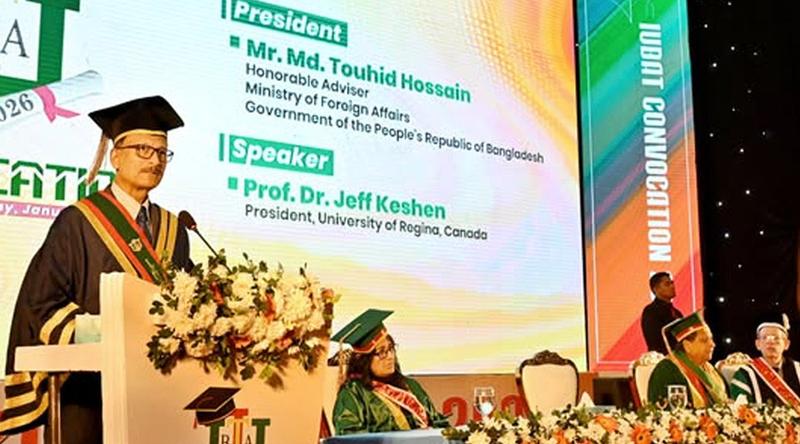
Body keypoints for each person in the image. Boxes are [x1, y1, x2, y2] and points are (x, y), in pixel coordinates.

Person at [0, 96, 191, 443]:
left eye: (163, 153)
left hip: (155, 394)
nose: (155, 161)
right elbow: (40, 306)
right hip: (87, 393)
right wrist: (110, 333)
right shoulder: (78, 222)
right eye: (143, 150)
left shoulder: (174, 230)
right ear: (115, 157)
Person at [331, 309, 449, 435]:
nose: (390, 356)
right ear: (364, 360)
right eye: (382, 352)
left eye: (391, 349)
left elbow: (437, 422)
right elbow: (350, 436)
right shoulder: (353, 393)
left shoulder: (411, 385)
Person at [648, 311, 729, 408]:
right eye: (704, 340)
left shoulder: (710, 369)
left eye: (711, 339)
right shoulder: (667, 371)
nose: (712, 344)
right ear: (687, 346)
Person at [730, 316, 800, 407]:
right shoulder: (744, 373)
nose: (770, 342)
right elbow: (741, 409)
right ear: (757, 344)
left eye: (776, 338)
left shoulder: (798, 369)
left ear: (786, 344)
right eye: (765, 338)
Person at [641, 271, 684, 355]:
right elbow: (654, 341)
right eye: (667, 284)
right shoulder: (651, 311)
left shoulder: (677, 312)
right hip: (664, 358)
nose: (672, 286)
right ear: (656, 289)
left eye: (672, 283)